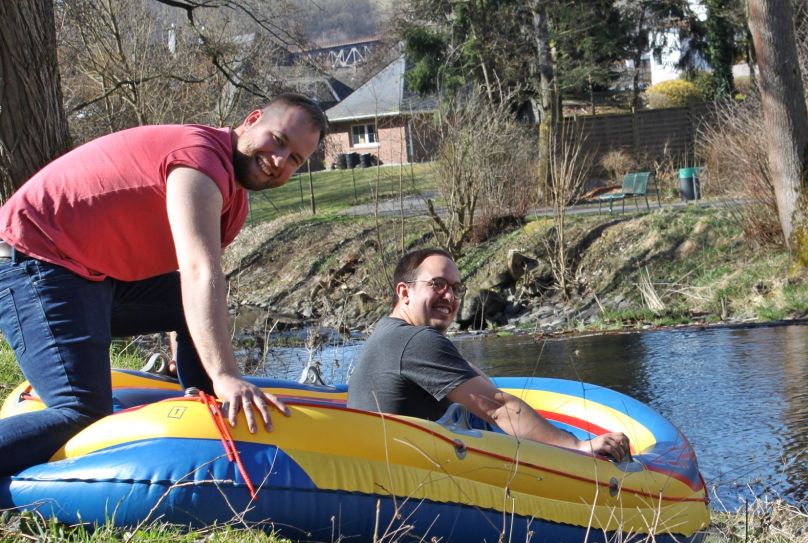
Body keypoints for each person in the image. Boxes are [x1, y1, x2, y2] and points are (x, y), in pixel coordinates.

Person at [0, 93, 328, 476]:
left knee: (198, 308)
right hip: (34, 260)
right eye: (279, 140)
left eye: (294, 160)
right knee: (80, 412)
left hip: (90, 274)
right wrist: (226, 376)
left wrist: (194, 366)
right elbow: (199, 271)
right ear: (252, 119)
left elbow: (184, 291)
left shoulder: (233, 204)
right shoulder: (201, 161)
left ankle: (204, 417)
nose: (277, 162)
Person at [347, 247, 632, 461]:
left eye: (457, 288)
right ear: (404, 292)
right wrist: (579, 446)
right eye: (437, 284)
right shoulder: (417, 340)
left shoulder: (389, 332)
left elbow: (477, 382)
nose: (450, 296)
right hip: (405, 480)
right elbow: (498, 408)